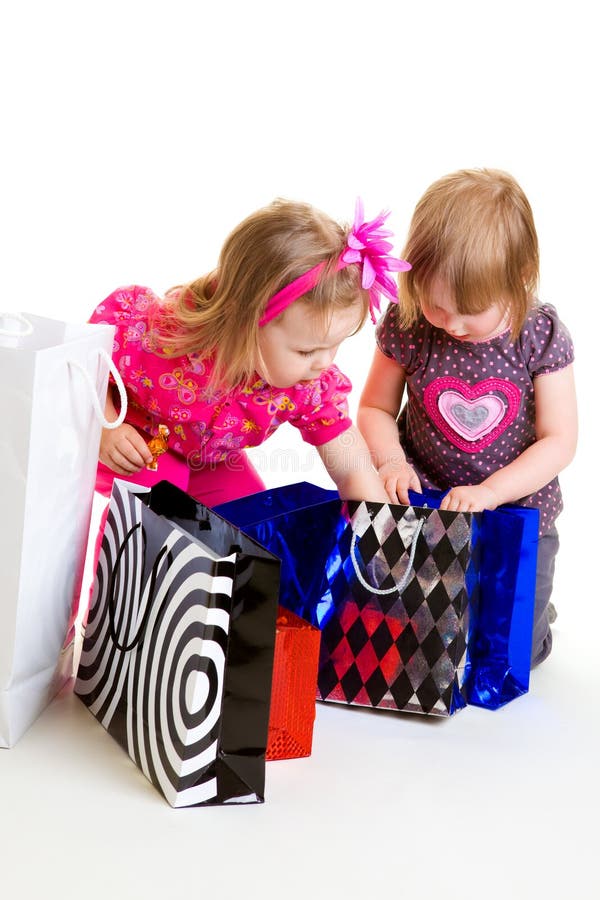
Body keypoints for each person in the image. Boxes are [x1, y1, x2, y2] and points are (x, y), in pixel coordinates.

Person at [358, 168, 577, 666]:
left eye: (470, 310)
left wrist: (490, 493)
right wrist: (391, 462)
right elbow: (374, 407)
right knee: (419, 644)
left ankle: (537, 615)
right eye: (437, 305)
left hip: (516, 513)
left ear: (519, 281)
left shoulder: (538, 335)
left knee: (512, 656)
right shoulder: (410, 324)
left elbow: (559, 440)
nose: (452, 324)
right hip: (426, 507)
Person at [91, 197, 410, 507]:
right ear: (244, 321)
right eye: (305, 351)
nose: (324, 363)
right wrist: (105, 428)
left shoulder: (309, 385)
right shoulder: (160, 337)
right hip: (141, 444)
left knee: (253, 521)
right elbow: (88, 362)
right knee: (154, 513)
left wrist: (381, 528)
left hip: (211, 462)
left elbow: (352, 467)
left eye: (334, 346)